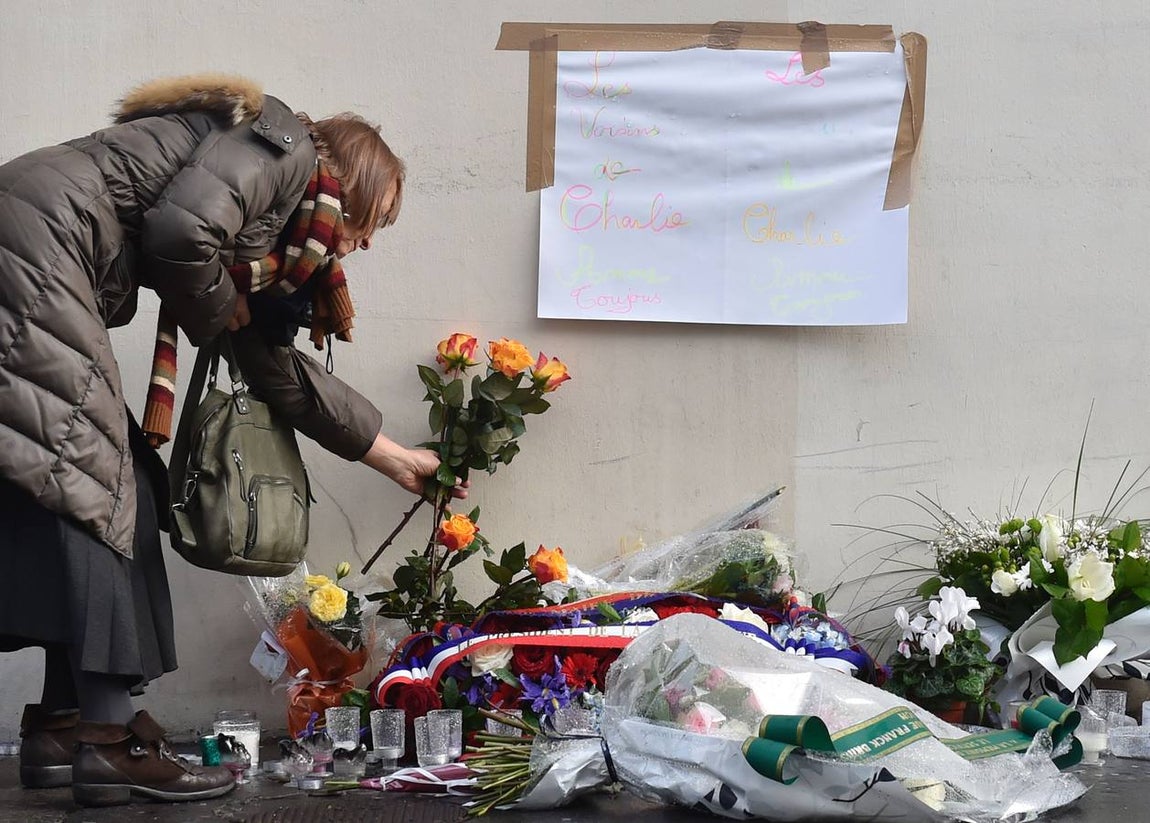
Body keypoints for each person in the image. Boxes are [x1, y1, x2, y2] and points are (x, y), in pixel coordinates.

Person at [0, 74, 465, 806]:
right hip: (36, 244)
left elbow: (266, 361)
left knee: (111, 485)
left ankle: (64, 725)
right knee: (99, 489)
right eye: (371, 221)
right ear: (350, 180)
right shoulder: (279, 143)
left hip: (35, 246)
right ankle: (108, 739)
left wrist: (393, 456)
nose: (366, 241)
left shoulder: (270, 230)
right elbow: (182, 234)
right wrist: (225, 308)